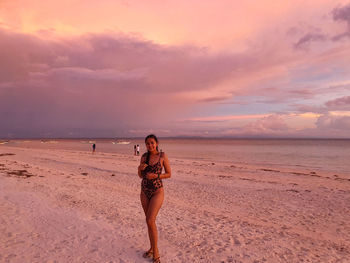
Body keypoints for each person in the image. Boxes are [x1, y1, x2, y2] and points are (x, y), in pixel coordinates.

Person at [138, 134, 171, 263]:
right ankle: (152, 248)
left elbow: (169, 174)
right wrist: (139, 168)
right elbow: (140, 176)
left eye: (152, 143)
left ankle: (156, 251)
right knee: (149, 221)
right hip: (144, 191)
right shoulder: (144, 157)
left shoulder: (162, 156)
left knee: (150, 219)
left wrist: (156, 176)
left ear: (156, 143)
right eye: (147, 143)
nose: (150, 145)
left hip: (157, 191)